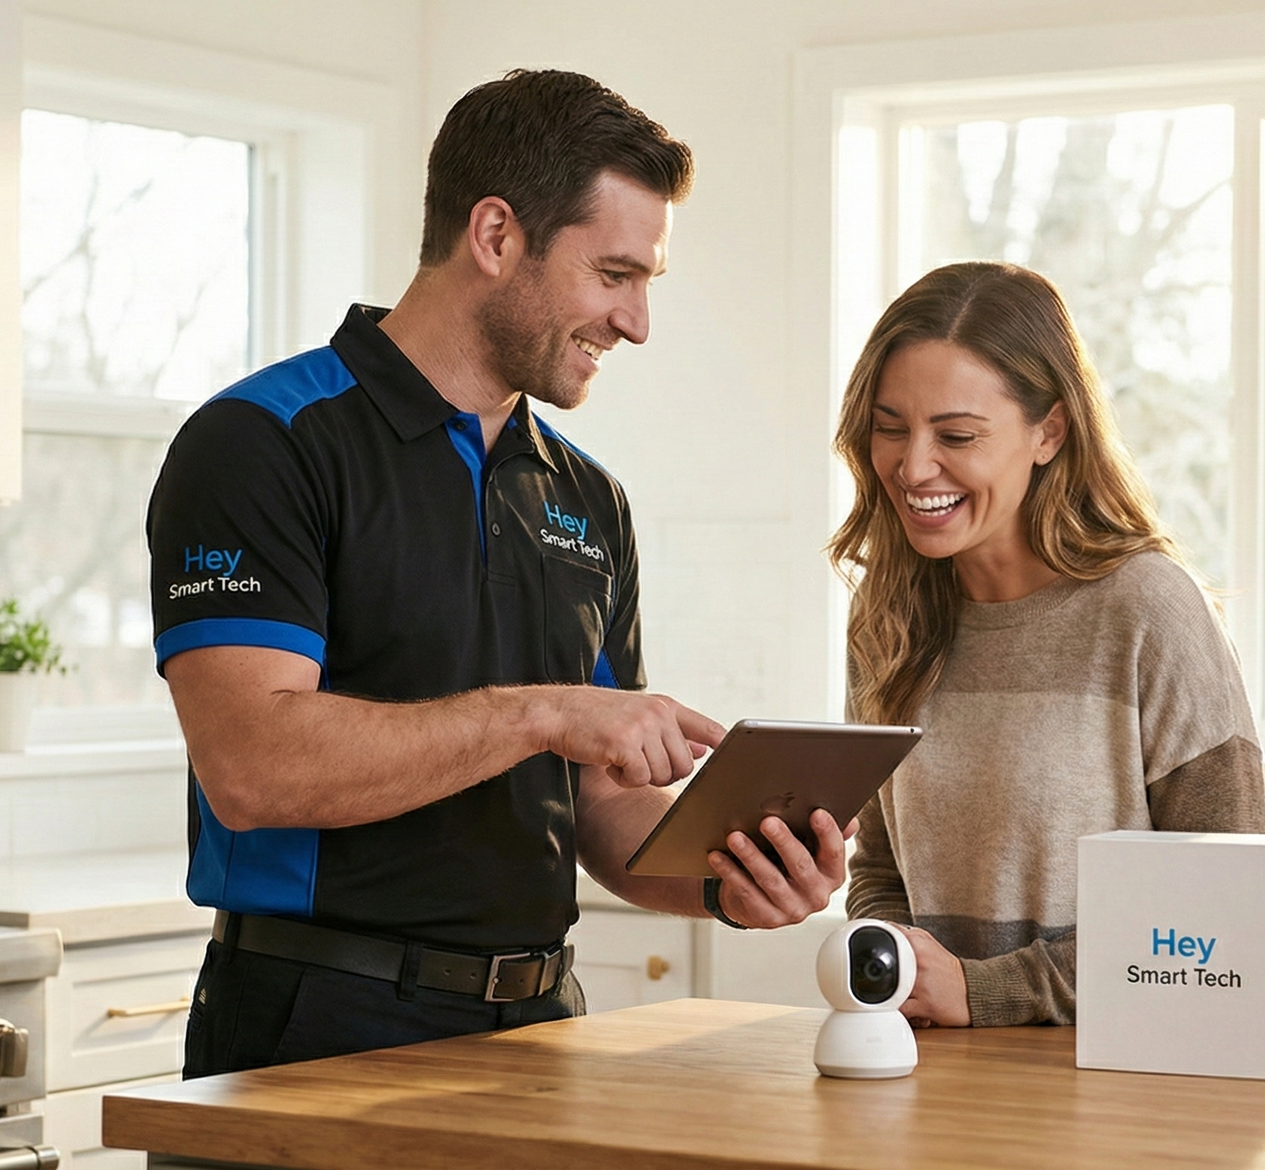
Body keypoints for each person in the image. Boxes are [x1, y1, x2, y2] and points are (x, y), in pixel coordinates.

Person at [147, 69, 850, 1077]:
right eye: (615, 274)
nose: (638, 321)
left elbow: (600, 809)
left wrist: (728, 874)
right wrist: (546, 714)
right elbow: (254, 767)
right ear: (494, 236)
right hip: (318, 1025)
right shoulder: (263, 443)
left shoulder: (589, 498)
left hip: (543, 1023)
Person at [829, 261, 1265, 1029]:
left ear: (1048, 432)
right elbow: (882, 870)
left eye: (956, 435)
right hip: (938, 1073)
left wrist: (987, 992)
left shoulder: (1148, 609)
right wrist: (899, 963)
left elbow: (1228, 900)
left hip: (1123, 1080)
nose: (912, 465)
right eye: (890, 427)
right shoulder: (887, 615)